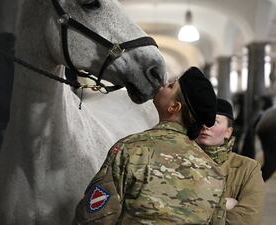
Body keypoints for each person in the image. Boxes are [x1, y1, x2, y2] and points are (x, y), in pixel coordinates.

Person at [72, 67, 226, 225]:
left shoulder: (132, 150)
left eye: (171, 86)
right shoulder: (214, 173)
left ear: (174, 107)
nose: (164, 85)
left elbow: (94, 218)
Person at [196, 98, 265, 225]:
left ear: (228, 132)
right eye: (202, 119)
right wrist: (223, 204)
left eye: (214, 121)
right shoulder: (180, 161)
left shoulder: (248, 168)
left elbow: (248, 220)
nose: (206, 126)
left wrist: (192, 209)